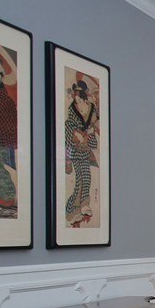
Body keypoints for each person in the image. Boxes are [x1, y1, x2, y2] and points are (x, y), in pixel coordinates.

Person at [64, 79, 99, 226]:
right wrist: (76, 133)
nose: (76, 98)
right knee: (80, 179)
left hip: (86, 146)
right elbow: (69, 125)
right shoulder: (72, 109)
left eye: (79, 95)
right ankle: (72, 210)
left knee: (87, 177)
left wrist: (91, 130)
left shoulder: (91, 107)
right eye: (75, 96)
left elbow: (95, 122)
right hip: (76, 148)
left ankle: (84, 205)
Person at [0, 52, 18, 215]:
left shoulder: (2, 96)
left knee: (2, 167)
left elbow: (8, 121)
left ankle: (7, 198)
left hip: (4, 139)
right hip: (3, 139)